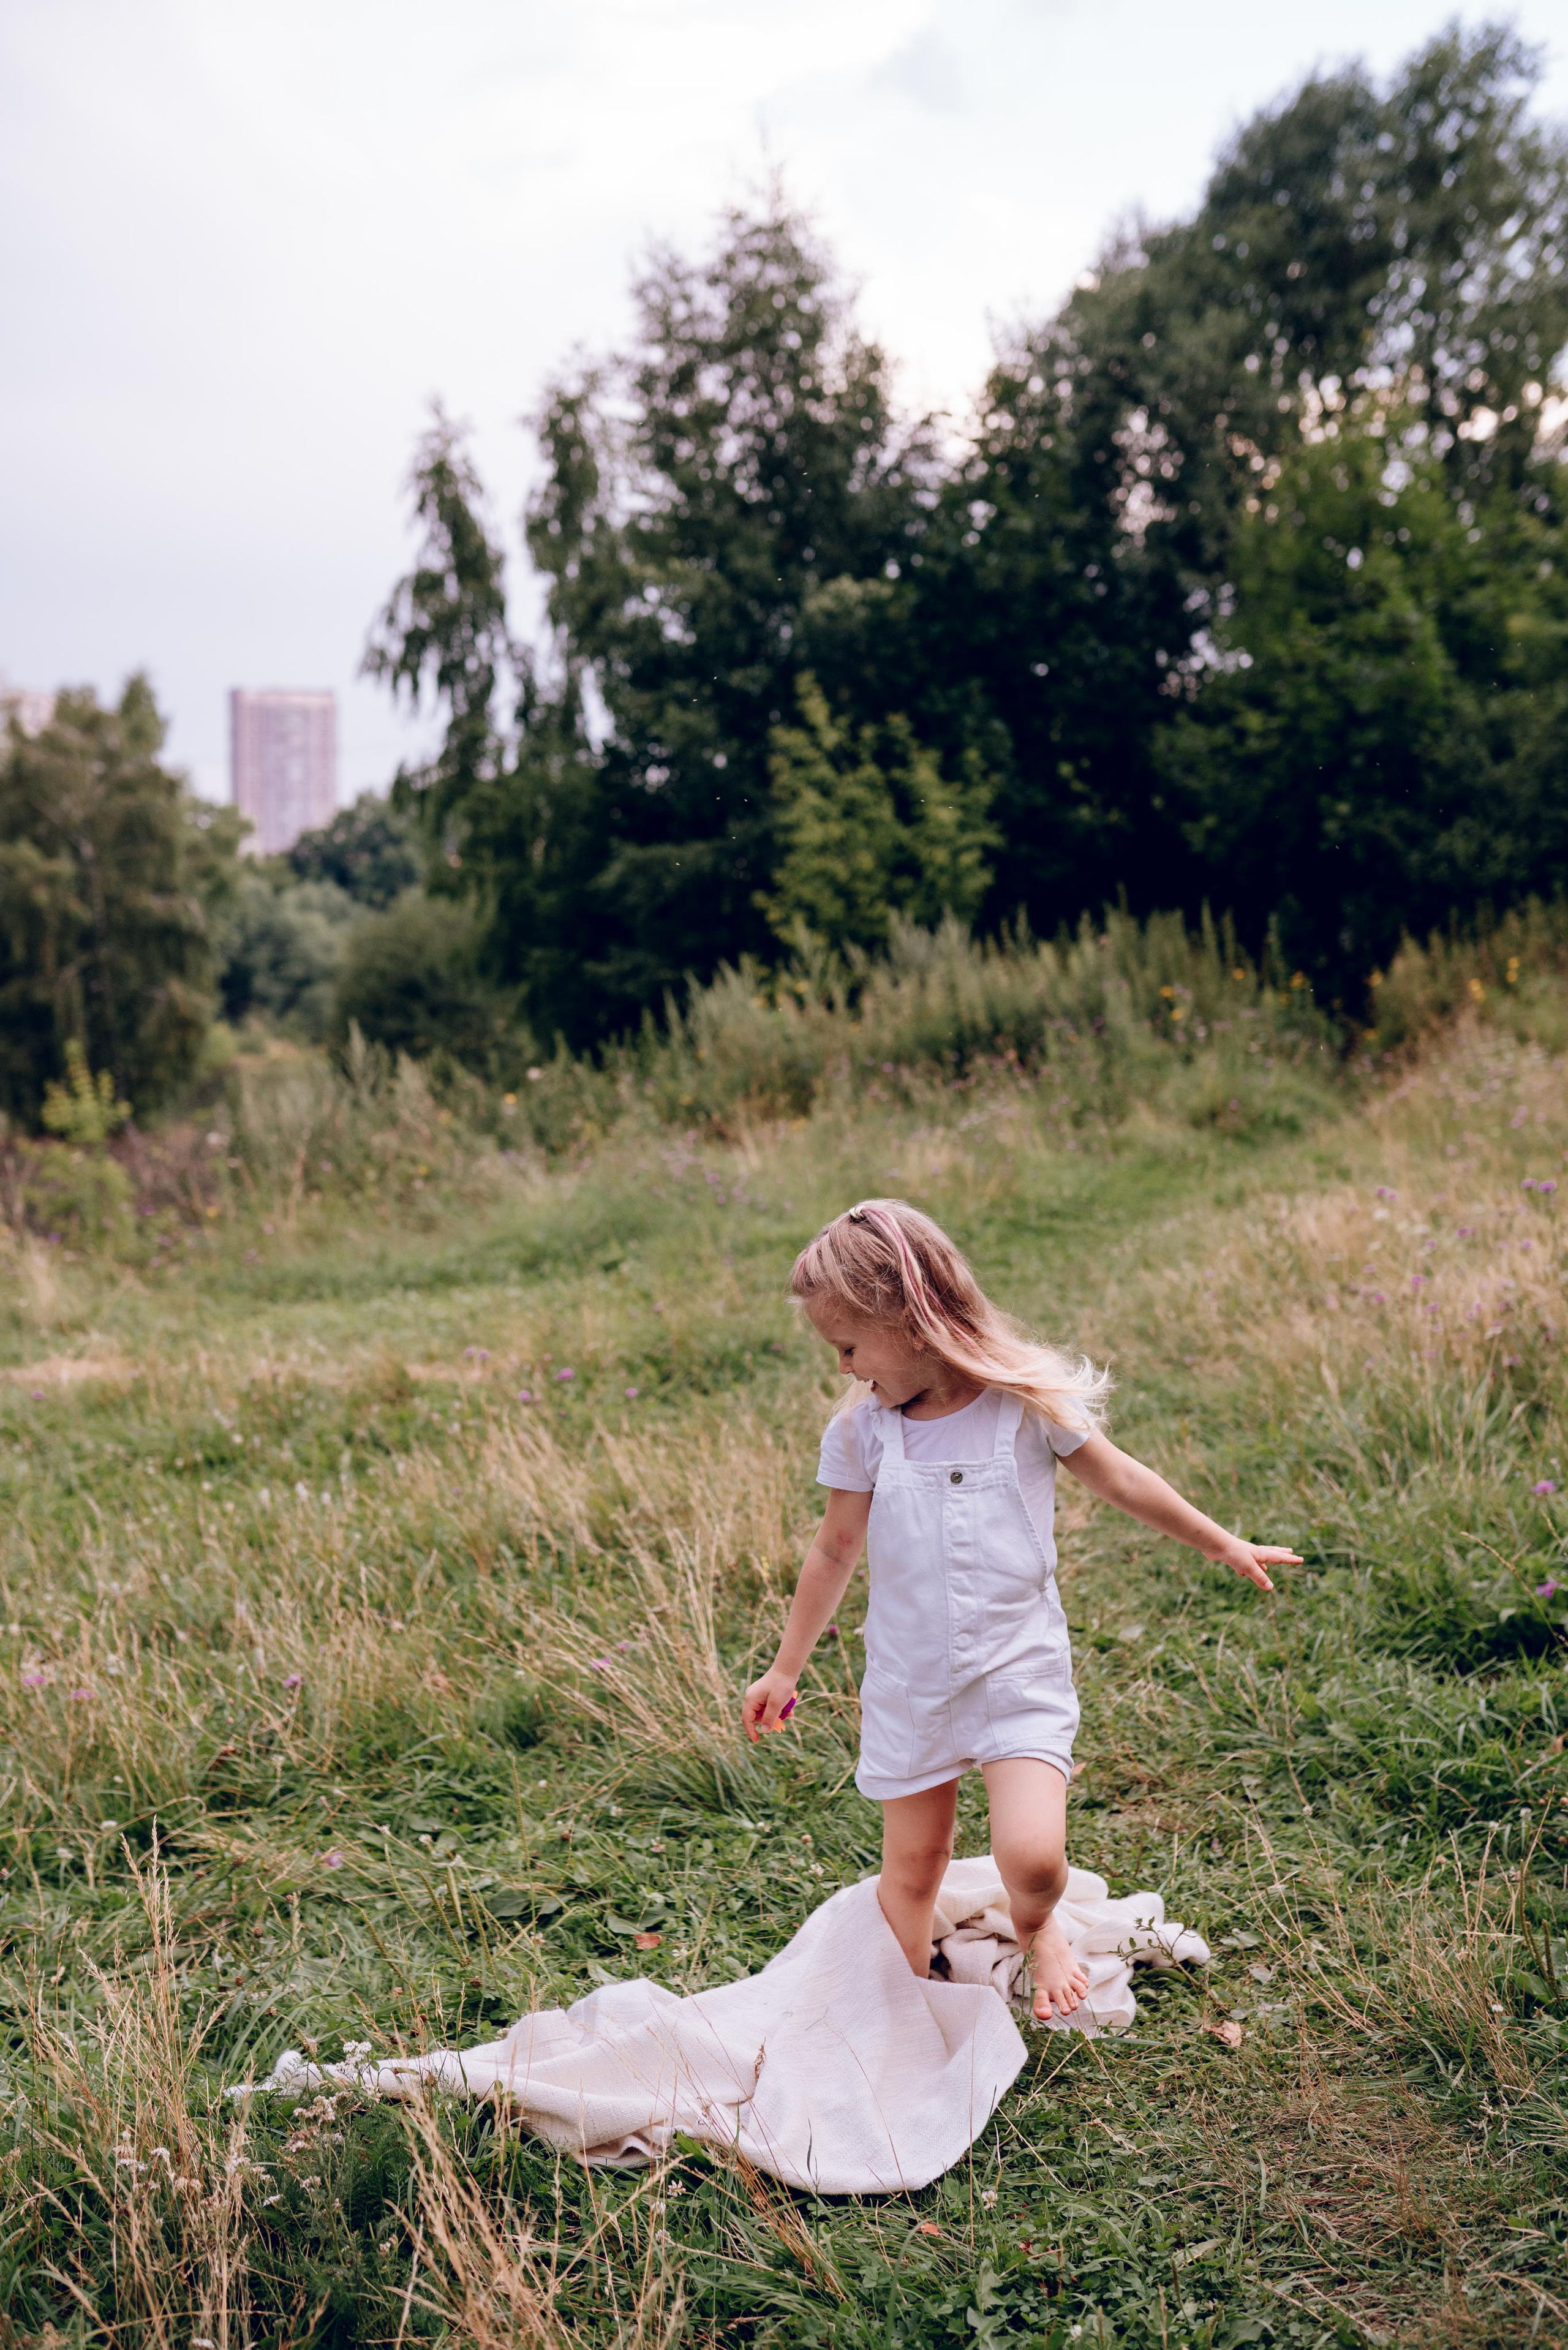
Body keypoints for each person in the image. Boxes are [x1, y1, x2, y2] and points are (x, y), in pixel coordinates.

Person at [742, 1199, 1301, 2023]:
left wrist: (1221, 1541)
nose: (843, 1367)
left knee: (1034, 1860)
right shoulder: (862, 1432)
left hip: (1016, 1668)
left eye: (850, 1346)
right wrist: (786, 1665)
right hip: (911, 1679)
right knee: (914, 1868)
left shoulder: (1025, 1405)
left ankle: (1041, 1928)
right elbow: (833, 1548)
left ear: (913, 1318)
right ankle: (910, 2007)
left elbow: (1122, 1478)